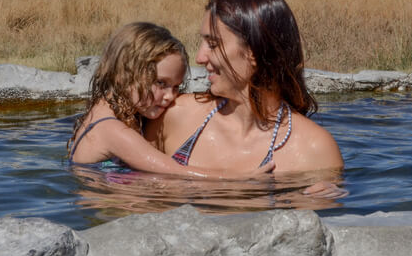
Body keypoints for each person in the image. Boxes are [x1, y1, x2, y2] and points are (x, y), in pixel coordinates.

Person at [145, 0, 344, 176]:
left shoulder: (315, 152)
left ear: (254, 52)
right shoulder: (176, 115)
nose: (199, 57)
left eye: (213, 44)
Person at [69, 21, 273, 179]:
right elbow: (174, 172)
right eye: (161, 83)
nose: (171, 96)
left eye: (176, 86)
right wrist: (242, 180)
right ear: (124, 75)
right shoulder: (111, 129)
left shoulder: (114, 110)